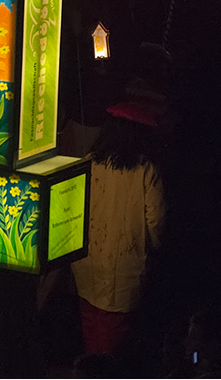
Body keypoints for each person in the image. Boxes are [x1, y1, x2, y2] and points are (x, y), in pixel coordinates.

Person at [70, 101, 166, 356]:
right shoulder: (146, 170)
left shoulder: (89, 162)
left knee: (91, 325)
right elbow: (156, 220)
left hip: (87, 263)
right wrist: (154, 247)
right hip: (125, 266)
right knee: (114, 337)